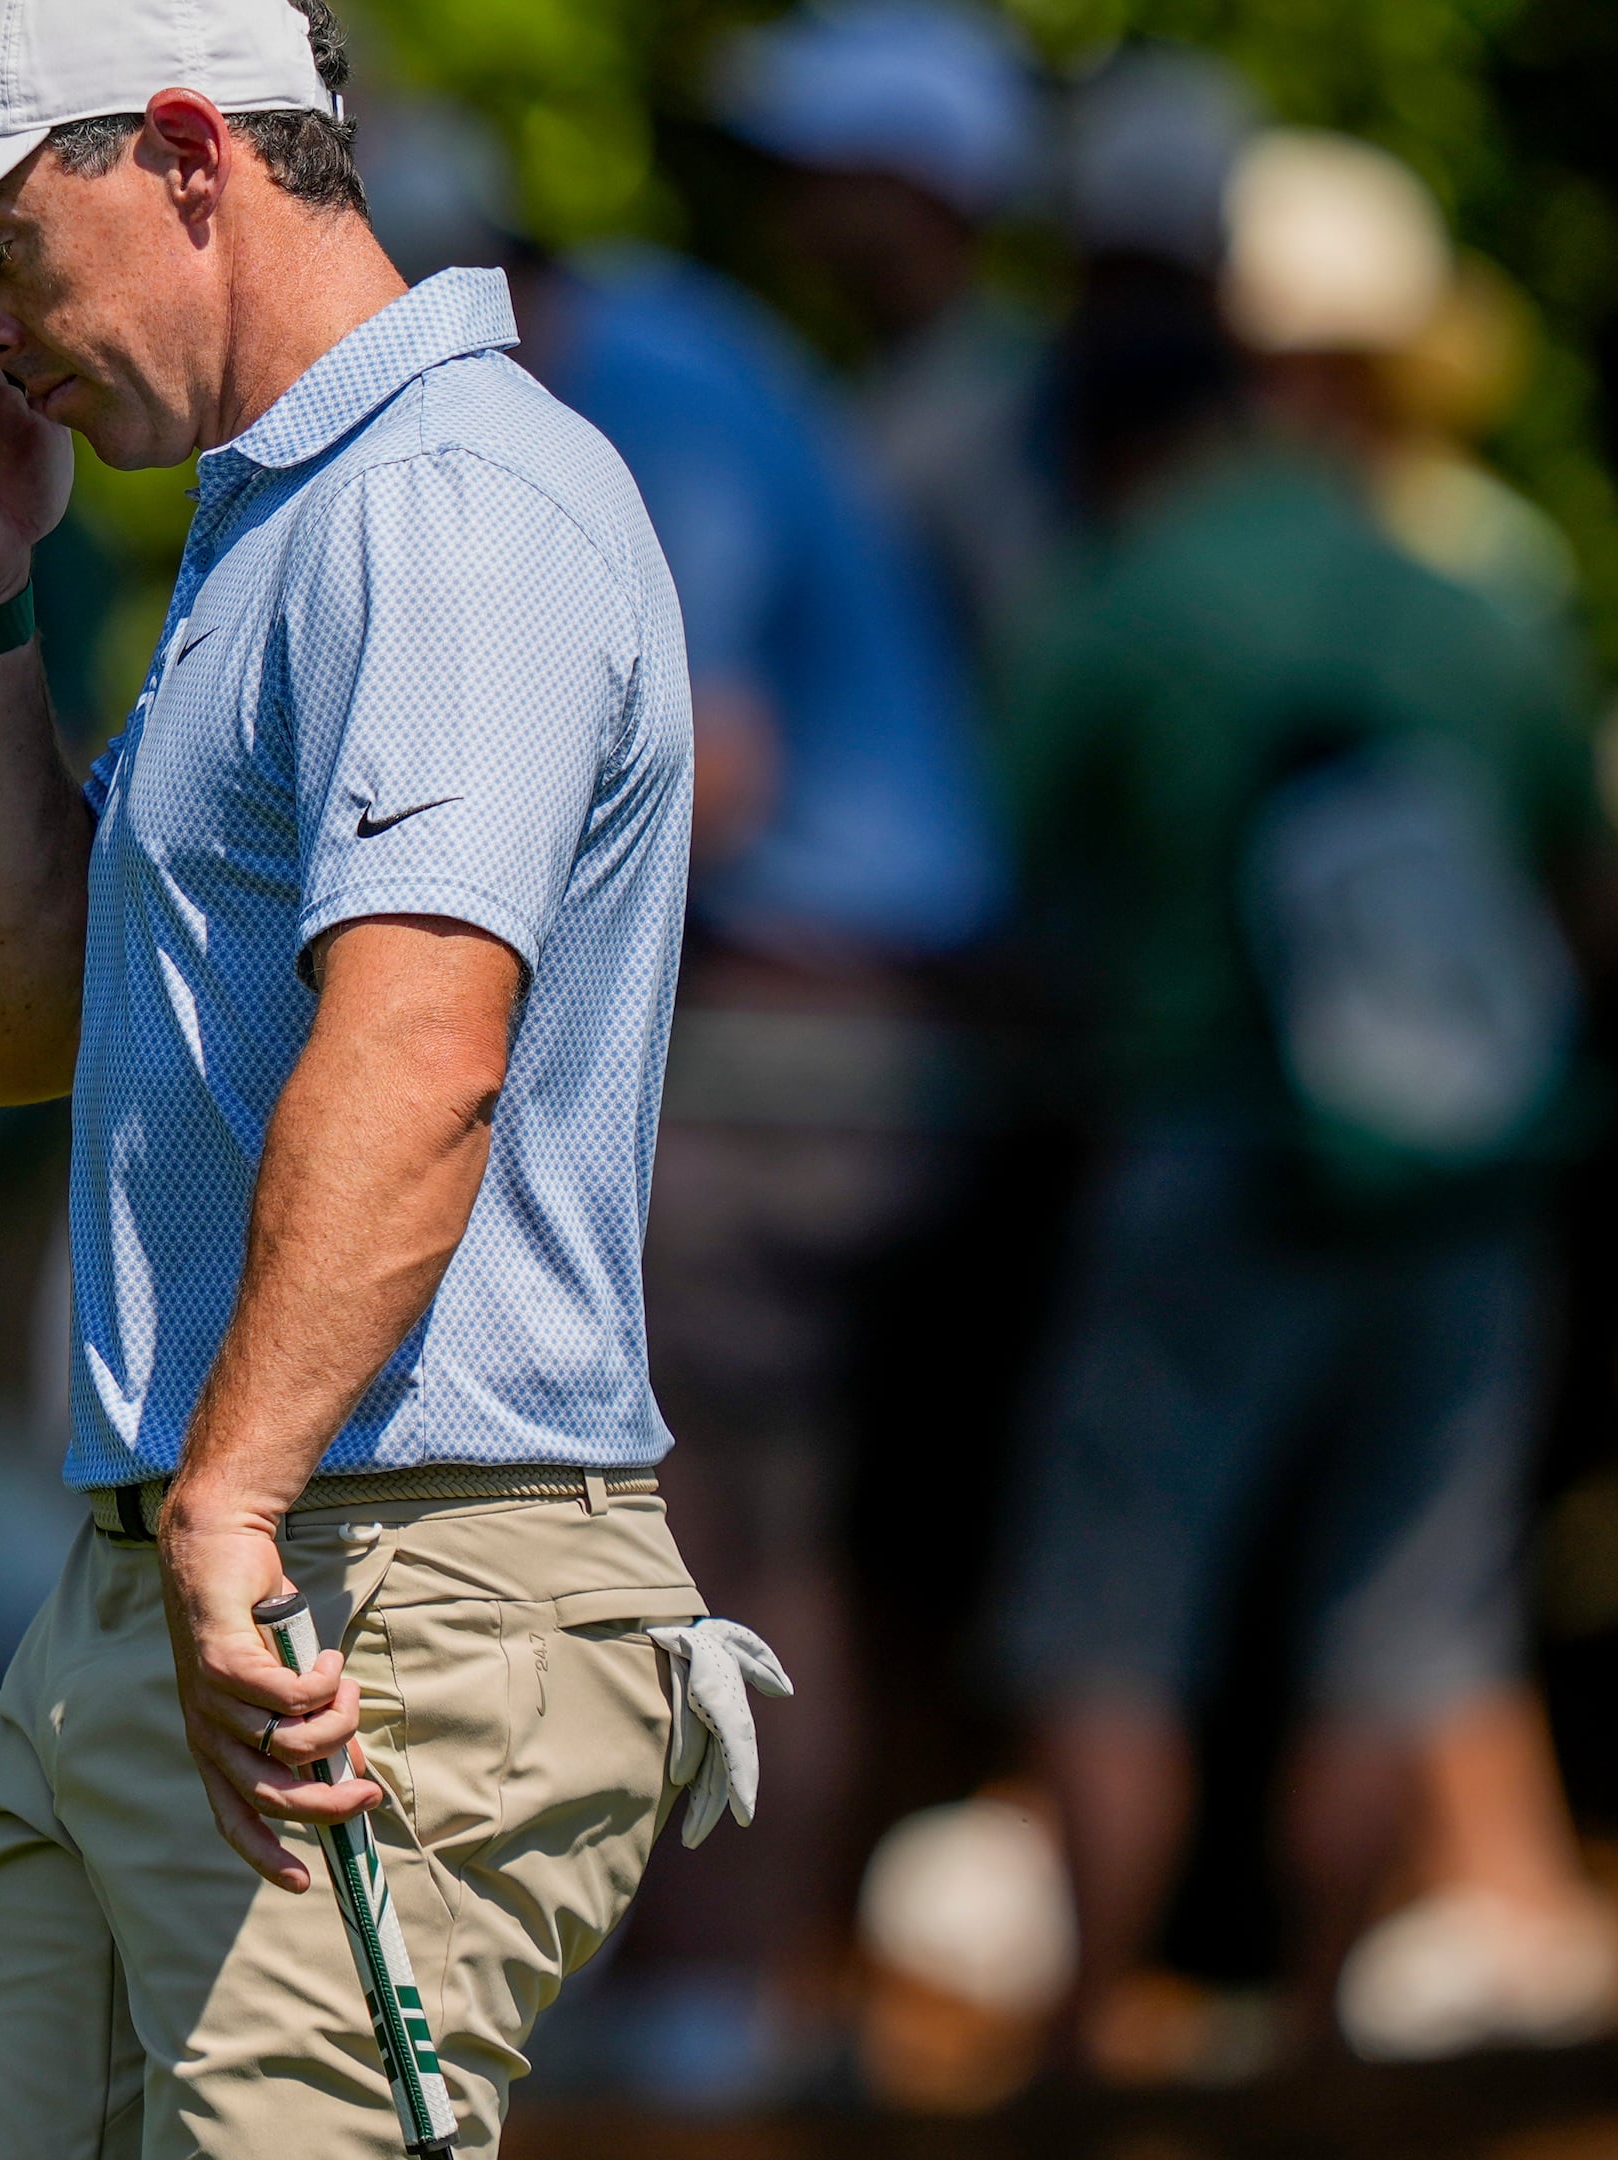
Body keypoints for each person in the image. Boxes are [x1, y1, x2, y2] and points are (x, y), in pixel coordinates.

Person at [0, 0, 778, 2148]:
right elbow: (14, 1028)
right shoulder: (279, 518)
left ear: (182, 154)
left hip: (376, 1586)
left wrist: (231, 1508)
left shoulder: (439, 508)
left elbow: (426, 1050)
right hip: (201, 1572)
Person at [991, 222, 1599, 2073]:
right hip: (1465, 1184)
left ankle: (1095, 2034)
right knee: (1395, 1615)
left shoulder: (1130, 593)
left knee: (1119, 1598)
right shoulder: (1462, 602)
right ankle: (1322, 2029)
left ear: (1100, 450)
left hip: (1209, 1161)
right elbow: (1584, 865)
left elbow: (1010, 866)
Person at [522, 240, 1000, 2099]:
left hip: (797, 1042)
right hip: (839, 1037)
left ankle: (705, 2007)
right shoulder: (684, 353)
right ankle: (723, 1998)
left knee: (693, 1534)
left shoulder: (648, 397)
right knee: (756, 1533)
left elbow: (708, 766)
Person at [714, 0, 1061, 674]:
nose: (790, 192)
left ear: (913, 184)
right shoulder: (900, 385)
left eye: (822, 165)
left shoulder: (1006, 401)